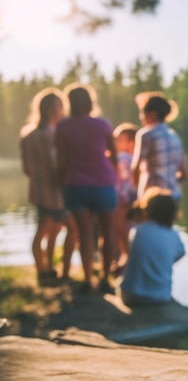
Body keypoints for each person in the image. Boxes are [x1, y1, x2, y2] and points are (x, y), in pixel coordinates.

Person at [55, 83, 118, 294]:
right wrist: (115, 176)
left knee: (84, 233)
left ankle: (88, 279)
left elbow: (62, 161)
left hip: (75, 184)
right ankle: (107, 279)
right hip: (103, 183)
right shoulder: (103, 124)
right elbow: (114, 156)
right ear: (90, 102)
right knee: (107, 234)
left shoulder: (63, 127)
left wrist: (61, 182)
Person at [20, 88, 78, 283]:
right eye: (60, 107)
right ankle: (64, 271)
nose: (63, 111)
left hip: (38, 192)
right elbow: (58, 165)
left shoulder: (28, 135)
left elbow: (27, 168)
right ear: (54, 109)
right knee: (73, 228)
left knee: (46, 231)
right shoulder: (53, 135)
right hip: (56, 194)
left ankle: (43, 271)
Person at [120, 191, 185, 306]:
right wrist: (164, 258)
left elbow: (135, 253)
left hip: (130, 296)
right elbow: (181, 253)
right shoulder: (173, 235)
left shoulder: (137, 231)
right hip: (160, 297)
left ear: (147, 210)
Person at [131, 92, 188, 204]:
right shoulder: (175, 136)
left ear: (153, 113)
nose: (141, 117)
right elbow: (184, 173)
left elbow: (136, 168)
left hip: (152, 198)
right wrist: (169, 181)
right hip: (174, 196)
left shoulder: (146, 135)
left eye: (143, 112)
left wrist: (139, 197)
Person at [112, 122, 138, 270]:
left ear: (130, 142)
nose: (115, 143)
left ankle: (125, 257)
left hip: (122, 198)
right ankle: (129, 257)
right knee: (129, 226)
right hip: (133, 197)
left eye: (118, 139)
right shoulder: (136, 157)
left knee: (120, 226)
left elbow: (123, 181)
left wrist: (122, 197)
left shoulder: (122, 157)